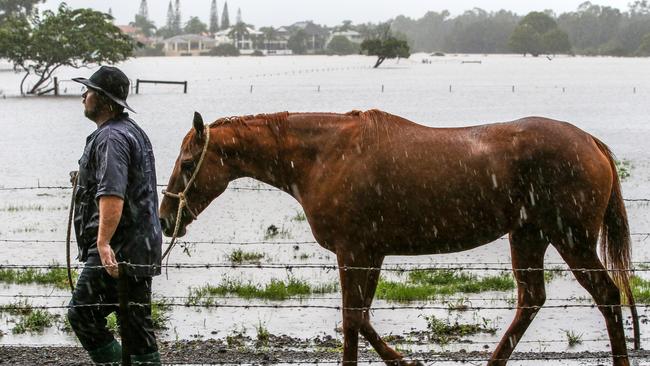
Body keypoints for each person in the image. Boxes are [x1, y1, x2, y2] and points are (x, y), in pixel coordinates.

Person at [67, 66, 162, 365]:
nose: (84, 95)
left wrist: (103, 243)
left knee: (82, 314)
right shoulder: (132, 131)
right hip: (140, 246)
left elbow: (113, 192)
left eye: (90, 90)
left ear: (105, 101)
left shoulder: (110, 138)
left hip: (118, 247)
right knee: (135, 325)